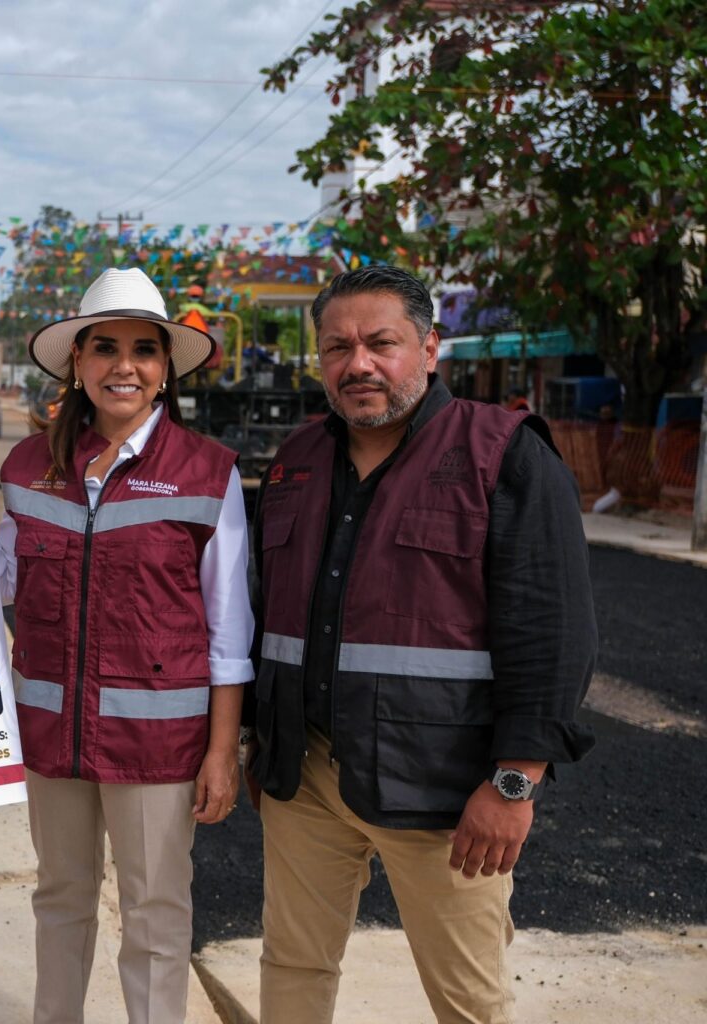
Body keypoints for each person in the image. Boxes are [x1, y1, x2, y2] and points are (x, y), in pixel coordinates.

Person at [246, 265, 597, 1024]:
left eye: (382, 343)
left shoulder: (503, 454)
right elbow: (260, 615)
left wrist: (514, 783)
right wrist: (256, 739)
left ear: (430, 348)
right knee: (293, 968)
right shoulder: (295, 463)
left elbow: (552, 632)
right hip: (305, 776)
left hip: (444, 789)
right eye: (337, 347)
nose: (358, 364)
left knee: (468, 1000)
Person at [0, 267, 252, 1024]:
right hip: (52, 735)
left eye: (144, 350)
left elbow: (229, 629)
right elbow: (0, 585)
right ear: (77, 361)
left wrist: (221, 751)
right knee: (60, 898)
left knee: (155, 912)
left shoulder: (207, 472)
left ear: (166, 367)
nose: (124, 366)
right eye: (105, 347)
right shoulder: (26, 467)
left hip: (158, 744)